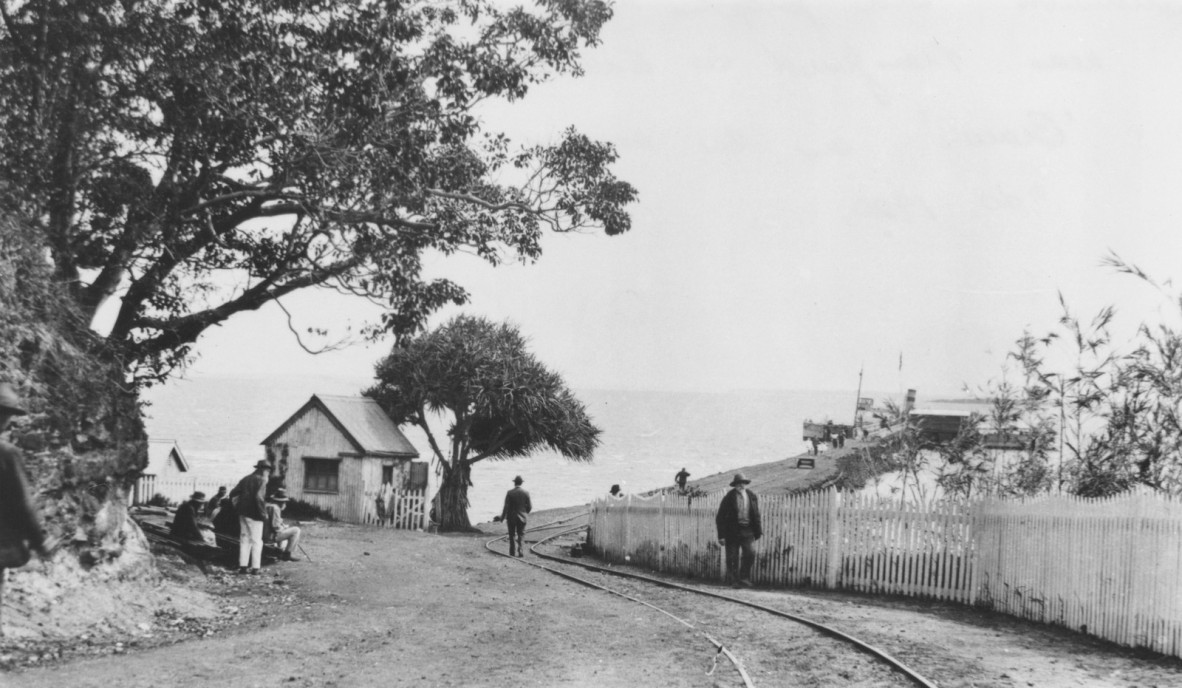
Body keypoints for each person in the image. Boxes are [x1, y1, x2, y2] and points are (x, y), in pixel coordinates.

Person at [0, 383, 50, 637]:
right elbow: (23, 504)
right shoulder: (6, 453)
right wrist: (39, 542)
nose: (8, 421)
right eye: (7, 414)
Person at [715, 473, 762, 588]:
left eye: (743, 483)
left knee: (750, 553)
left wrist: (758, 531)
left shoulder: (751, 496)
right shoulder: (729, 497)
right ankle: (733, 580)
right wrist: (721, 536)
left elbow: (756, 514)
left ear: (746, 484)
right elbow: (720, 517)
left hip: (748, 530)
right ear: (735, 485)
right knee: (732, 557)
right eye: (738, 483)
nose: (741, 485)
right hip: (732, 531)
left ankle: (744, 578)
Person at [229, 460, 271, 574]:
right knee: (257, 541)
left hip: (242, 513)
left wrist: (238, 506)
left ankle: (243, 567)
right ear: (264, 470)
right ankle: (255, 568)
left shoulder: (245, 478)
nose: (268, 473)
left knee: (244, 539)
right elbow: (259, 498)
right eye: (268, 470)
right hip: (255, 514)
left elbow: (232, 493)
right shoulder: (262, 480)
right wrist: (264, 514)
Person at [263, 488, 302, 562]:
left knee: (285, 530)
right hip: (269, 536)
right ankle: (287, 554)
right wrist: (283, 528)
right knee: (296, 530)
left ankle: (279, 552)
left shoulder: (268, 506)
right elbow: (276, 527)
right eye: (284, 502)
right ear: (281, 502)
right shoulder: (275, 508)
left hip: (264, 534)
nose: (285, 504)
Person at [500, 475, 532, 558]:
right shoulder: (526, 493)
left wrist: (502, 517)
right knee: (521, 534)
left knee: (512, 535)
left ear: (514, 483)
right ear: (521, 483)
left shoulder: (509, 492)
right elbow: (530, 506)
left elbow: (506, 506)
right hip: (522, 517)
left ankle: (512, 552)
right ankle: (520, 550)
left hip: (511, 517)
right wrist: (525, 512)